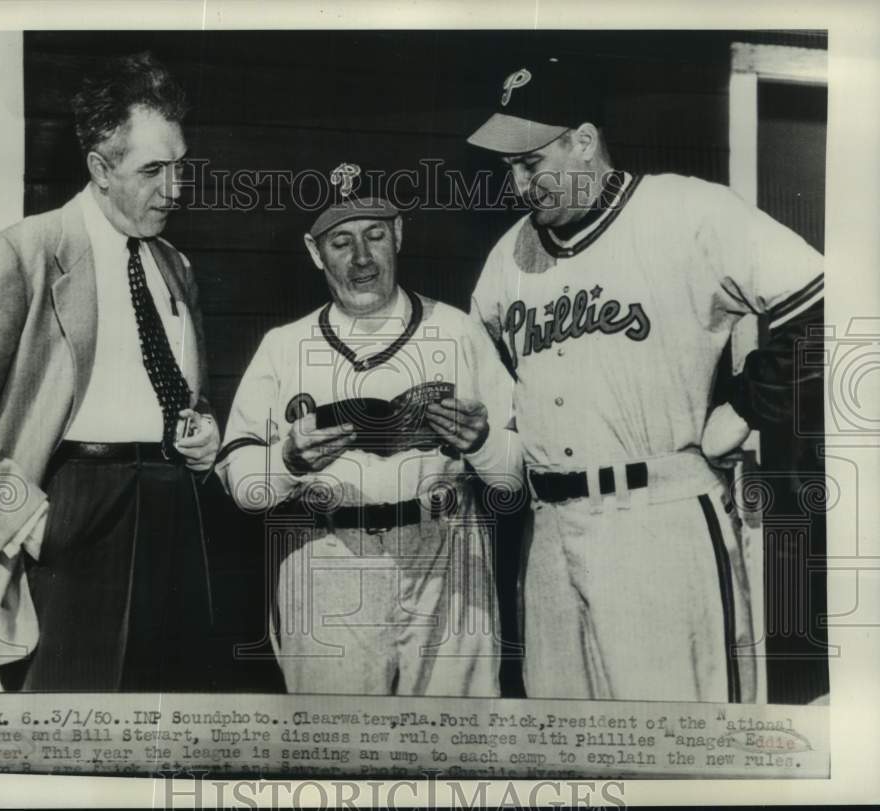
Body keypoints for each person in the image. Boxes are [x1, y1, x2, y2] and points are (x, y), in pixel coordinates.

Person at [465, 61, 824, 703]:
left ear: (583, 140)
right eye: (509, 169)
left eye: (532, 162)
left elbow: (830, 302)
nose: (520, 185)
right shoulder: (508, 258)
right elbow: (498, 393)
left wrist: (746, 406)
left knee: (682, 751)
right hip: (548, 531)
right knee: (569, 756)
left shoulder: (687, 211)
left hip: (656, 516)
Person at [0, 53, 222, 692]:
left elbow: (179, 394)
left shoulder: (177, 266)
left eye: (180, 165)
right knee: (67, 726)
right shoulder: (22, 255)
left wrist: (203, 436)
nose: (175, 189)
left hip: (172, 509)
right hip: (69, 509)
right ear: (100, 168)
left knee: (167, 724)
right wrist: (28, 519)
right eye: (152, 170)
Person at [215, 164, 522, 696]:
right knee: (334, 749)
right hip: (326, 551)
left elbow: (516, 477)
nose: (362, 258)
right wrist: (289, 459)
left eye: (375, 235)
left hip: (445, 550)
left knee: (457, 744)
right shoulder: (283, 346)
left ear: (398, 234)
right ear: (315, 253)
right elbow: (243, 486)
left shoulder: (459, 331)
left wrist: (483, 442)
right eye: (341, 242)